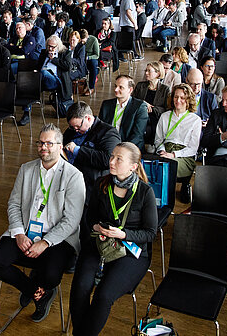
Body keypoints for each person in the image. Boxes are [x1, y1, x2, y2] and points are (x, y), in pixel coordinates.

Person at [0, 124, 85, 324]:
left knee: (51, 276)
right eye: (40, 143)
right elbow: (13, 204)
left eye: (49, 143)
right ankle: (37, 292)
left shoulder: (74, 176)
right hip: (26, 231)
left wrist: (46, 242)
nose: (43, 147)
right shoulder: (26, 169)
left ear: (60, 146)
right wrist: (19, 233)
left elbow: (72, 221)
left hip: (58, 238)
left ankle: (38, 285)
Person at [69, 142, 157, 336]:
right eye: (112, 157)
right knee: (79, 289)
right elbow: (89, 217)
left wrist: (123, 234)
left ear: (133, 166)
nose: (112, 161)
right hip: (101, 244)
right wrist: (96, 227)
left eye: (119, 159)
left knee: (104, 296)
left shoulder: (145, 192)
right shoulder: (102, 183)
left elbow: (150, 233)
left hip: (130, 250)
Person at [152, 84, 202, 203]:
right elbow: (158, 140)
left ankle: (166, 200)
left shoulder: (195, 120)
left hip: (183, 156)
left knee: (168, 165)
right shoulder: (165, 116)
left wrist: (174, 155)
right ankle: (156, 197)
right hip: (165, 151)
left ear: (188, 100)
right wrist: (162, 150)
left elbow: (193, 148)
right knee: (155, 164)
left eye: (182, 98)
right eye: (175, 97)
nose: (178, 100)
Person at [62, 102, 121, 200]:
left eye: (78, 126)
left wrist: (77, 150)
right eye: (72, 127)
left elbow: (107, 160)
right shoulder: (72, 130)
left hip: (90, 186)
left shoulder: (108, 132)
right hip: (67, 178)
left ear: (88, 118)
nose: (75, 129)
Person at [98, 75, 148, 151]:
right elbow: (100, 128)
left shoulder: (139, 107)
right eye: (115, 86)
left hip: (129, 148)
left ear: (130, 90)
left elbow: (137, 135)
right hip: (108, 145)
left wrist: (122, 149)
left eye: (121, 87)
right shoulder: (106, 105)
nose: (116, 89)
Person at [132, 61, 170, 131]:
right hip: (139, 117)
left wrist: (152, 109)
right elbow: (132, 100)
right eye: (146, 70)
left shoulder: (165, 89)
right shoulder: (140, 85)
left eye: (149, 71)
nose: (146, 73)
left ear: (158, 73)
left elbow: (166, 108)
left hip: (155, 118)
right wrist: (143, 104)